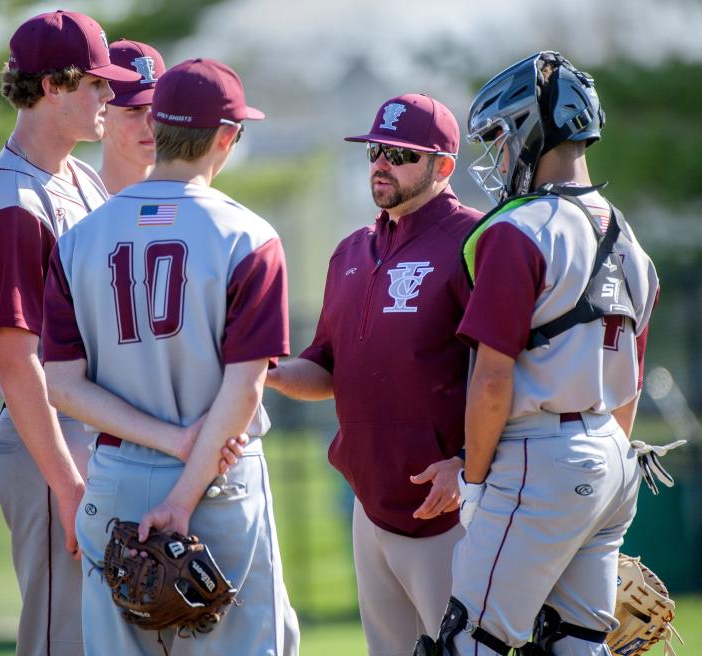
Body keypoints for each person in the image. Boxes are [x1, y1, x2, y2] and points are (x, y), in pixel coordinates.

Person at [42, 57, 300, 655]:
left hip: (116, 485)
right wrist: (184, 489)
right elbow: (245, 389)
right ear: (227, 136)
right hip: (216, 483)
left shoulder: (79, 239)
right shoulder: (249, 236)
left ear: (155, 127)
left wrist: (167, 440)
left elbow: (61, 385)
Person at [417, 51, 659, 655]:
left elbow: (493, 379)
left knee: (468, 640)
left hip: (538, 459)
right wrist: (606, 466)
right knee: (577, 642)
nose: (498, 154)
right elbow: (627, 386)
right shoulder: (631, 242)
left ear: (529, 130)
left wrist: (474, 480)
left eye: (501, 137)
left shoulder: (516, 229)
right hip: (610, 453)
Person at [265, 93, 481, 654]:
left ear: (443, 166)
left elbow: (510, 372)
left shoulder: (477, 240)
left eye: (400, 153)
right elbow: (324, 367)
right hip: (371, 504)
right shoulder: (351, 251)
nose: (381, 163)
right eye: (375, 151)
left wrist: (467, 464)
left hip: (450, 506)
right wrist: (266, 370)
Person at [0, 10, 141, 655]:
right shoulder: (11, 205)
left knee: (102, 636)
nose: (109, 97)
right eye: (96, 83)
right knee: (60, 640)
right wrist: (67, 482)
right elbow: (15, 359)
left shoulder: (79, 180)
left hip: (85, 426)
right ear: (56, 85)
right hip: (47, 440)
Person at [98, 39, 166, 193]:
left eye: (158, 108)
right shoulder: (78, 207)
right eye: (135, 108)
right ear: (100, 114)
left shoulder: (184, 202)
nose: (151, 122)